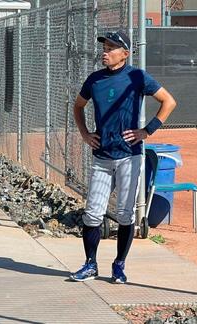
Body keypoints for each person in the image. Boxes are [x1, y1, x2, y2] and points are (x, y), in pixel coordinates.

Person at [70, 30, 176, 284]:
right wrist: (85, 134)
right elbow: (77, 106)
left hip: (130, 155)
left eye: (111, 48)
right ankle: (90, 264)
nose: (105, 52)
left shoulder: (137, 77)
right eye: (104, 47)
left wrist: (146, 130)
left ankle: (119, 265)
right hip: (102, 156)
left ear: (125, 54)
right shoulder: (94, 80)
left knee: (126, 213)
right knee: (92, 214)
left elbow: (169, 101)